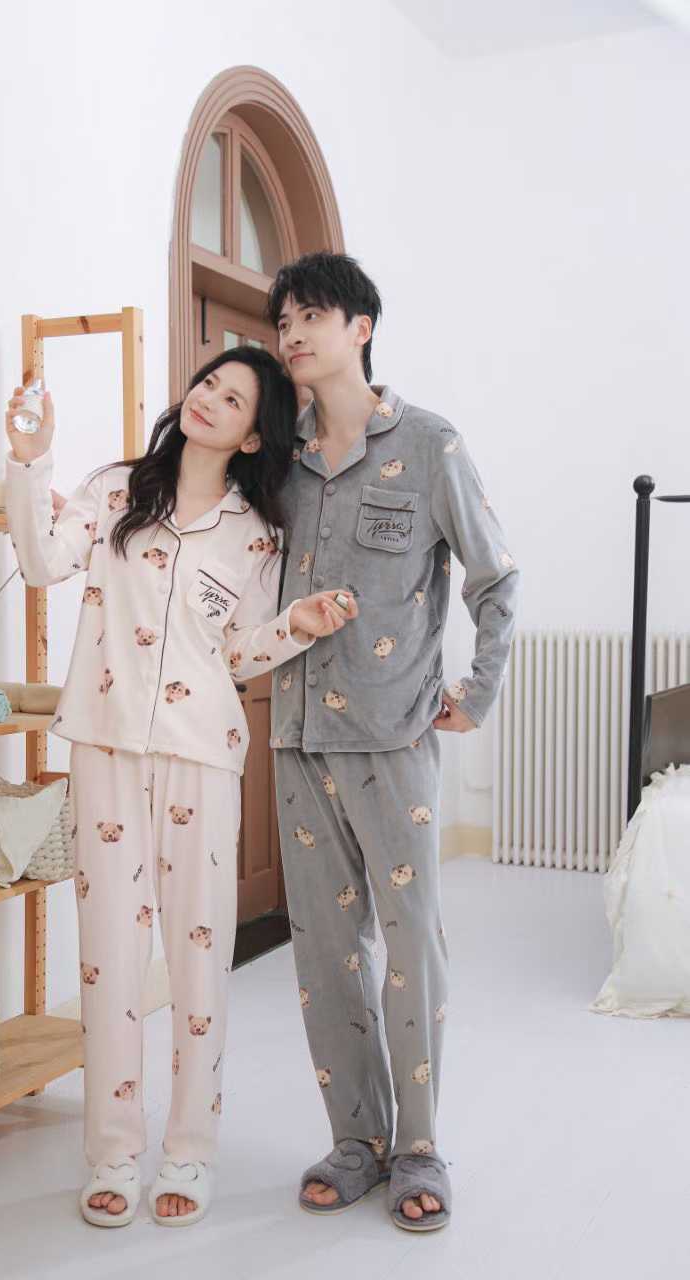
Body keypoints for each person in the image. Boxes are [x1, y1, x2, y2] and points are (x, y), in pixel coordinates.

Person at [3, 347, 358, 1229]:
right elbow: (42, 563)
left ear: (252, 436)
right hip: (105, 746)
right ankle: (112, 1154)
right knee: (109, 958)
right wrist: (30, 460)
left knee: (198, 960)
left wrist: (297, 626)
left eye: (233, 400)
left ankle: (190, 1152)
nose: (210, 400)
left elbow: (236, 652)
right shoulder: (116, 490)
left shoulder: (256, 533)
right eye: (208, 384)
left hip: (201, 753)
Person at [266, 252, 519, 1232]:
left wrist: (477, 691)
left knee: (411, 943)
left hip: (393, 735)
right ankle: (355, 1140)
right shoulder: (277, 461)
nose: (292, 333)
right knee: (325, 951)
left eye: (311, 315)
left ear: (360, 327)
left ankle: (418, 1145)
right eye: (283, 319)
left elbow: (495, 577)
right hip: (297, 737)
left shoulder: (428, 442)